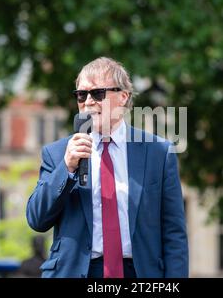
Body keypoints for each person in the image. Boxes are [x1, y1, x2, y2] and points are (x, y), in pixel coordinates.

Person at [26, 57, 188, 278]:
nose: (89, 102)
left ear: (123, 96)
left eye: (98, 93)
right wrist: (67, 168)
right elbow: (37, 219)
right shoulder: (58, 154)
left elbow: (174, 234)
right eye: (81, 95)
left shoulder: (159, 153)